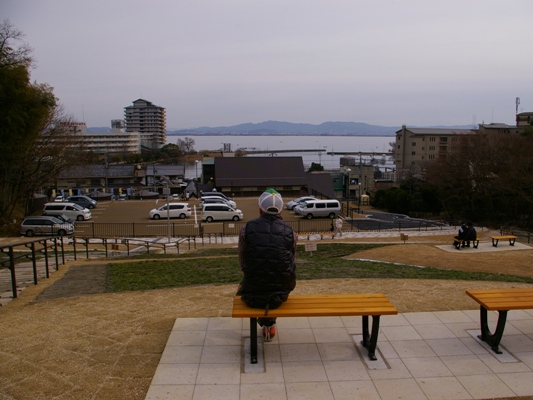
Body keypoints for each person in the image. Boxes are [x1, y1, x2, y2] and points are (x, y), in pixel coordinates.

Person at [237, 189, 297, 342]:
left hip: (253, 291)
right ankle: (269, 324)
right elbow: (290, 261)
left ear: (260, 208)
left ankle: (265, 324)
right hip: (280, 293)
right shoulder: (290, 232)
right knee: (276, 280)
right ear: (281, 209)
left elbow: (243, 262)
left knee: (254, 282)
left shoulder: (246, 229)